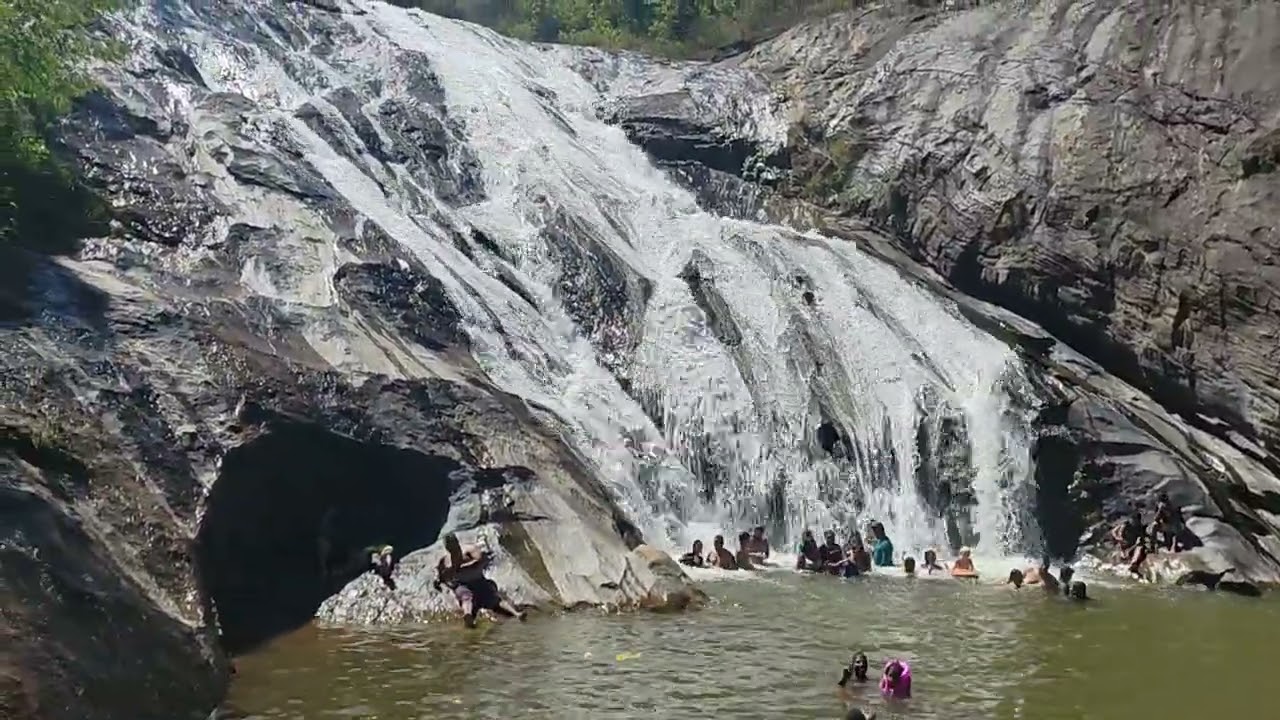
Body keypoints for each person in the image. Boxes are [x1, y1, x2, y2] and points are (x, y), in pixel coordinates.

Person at [434, 533, 525, 628]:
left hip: (479, 580)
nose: (452, 548)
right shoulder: (446, 560)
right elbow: (440, 573)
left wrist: (458, 567)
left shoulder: (469, 549)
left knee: (494, 599)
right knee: (466, 597)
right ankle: (468, 616)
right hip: (462, 584)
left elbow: (479, 559)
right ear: (447, 547)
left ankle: (517, 614)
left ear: (457, 542)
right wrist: (439, 581)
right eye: (449, 546)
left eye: (453, 544)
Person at [1111, 511, 1149, 576]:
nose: (1135, 521)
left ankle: (1135, 565)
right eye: (1134, 519)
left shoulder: (1140, 527)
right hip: (1124, 546)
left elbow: (1144, 537)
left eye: (1137, 519)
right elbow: (1118, 535)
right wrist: (1121, 541)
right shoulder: (1126, 526)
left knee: (1141, 548)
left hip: (1133, 546)